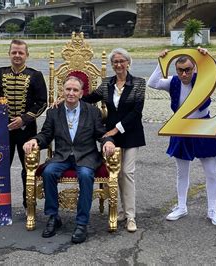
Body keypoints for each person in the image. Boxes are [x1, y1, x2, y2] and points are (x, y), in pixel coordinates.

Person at [23, 76, 116, 244]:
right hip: (62, 156)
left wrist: (108, 141)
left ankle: (82, 223)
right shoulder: (54, 112)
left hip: (86, 156)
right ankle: (53, 217)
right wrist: (35, 140)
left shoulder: (92, 111)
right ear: (62, 91)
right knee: (49, 172)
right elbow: (46, 134)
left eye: (75, 90)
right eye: (68, 89)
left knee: (86, 175)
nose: (71, 93)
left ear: (81, 93)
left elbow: (100, 133)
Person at [147, 48, 216, 226]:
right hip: (181, 128)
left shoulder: (205, 79)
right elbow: (152, 83)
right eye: (180, 70)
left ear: (195, 68)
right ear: (176, 70)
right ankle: (182, 206)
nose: (184, 74)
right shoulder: (173, 82)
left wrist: (207, 57)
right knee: (182, 172)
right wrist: (160, 61)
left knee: (211, 172)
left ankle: (212, 210)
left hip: (203, 127)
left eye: (188, 70)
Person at [0, 39, 48, 208]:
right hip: (3, 130)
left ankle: (28, 202)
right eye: (14, 52)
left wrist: (24, 118)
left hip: (26, 130)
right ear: (9, 54)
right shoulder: (0, 73)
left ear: (27, 55)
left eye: (21, 52)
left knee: (27, 168)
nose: (17, 55)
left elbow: (42, 102)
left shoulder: (35, 75)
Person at [82, 48, 146, 232]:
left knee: (127, 173)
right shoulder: (106, 84)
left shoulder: (139, 83)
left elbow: (136, 113)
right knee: (115, 175)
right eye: (115, 62)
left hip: (131, 134)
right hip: (111, 137)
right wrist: (68, 97)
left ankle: (131, 216)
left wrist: (115, 129)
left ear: (128, 62)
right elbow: (89, 99)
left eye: (121, 61)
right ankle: (120, 211)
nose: (118, 64)